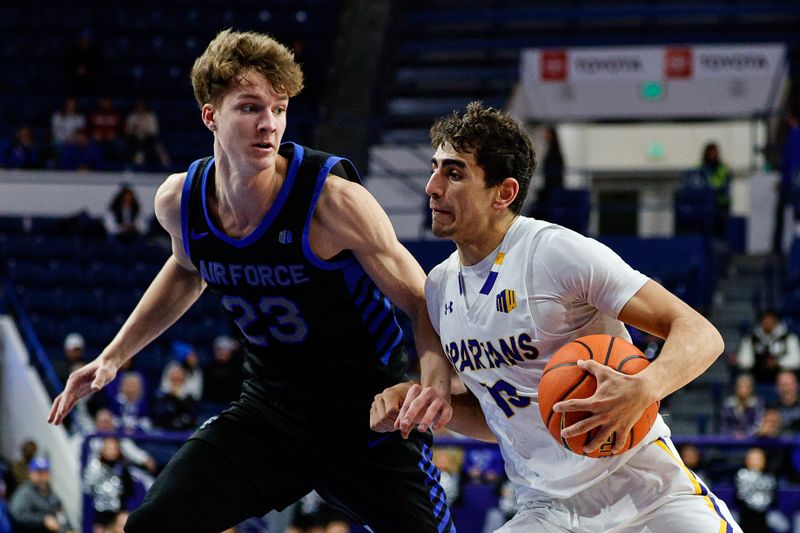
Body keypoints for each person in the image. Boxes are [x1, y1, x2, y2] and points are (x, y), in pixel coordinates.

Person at [49, 29, 455, 533]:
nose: (269, 125)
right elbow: (185, 268)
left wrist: (431, 386)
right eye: (250, 108)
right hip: (268, 412)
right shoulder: (180, 201)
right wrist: (111, 356)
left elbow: (423, 303)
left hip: (365, 414)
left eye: (279, 109)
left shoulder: (333, 202)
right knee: (152, 525)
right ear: (210, 116)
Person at [371, 102, 741, 532]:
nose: (432, 187)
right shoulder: (438, 288)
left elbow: (701, 333)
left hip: (646, 492)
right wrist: (426, 404)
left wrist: (645, 387)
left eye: (454, 174)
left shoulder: (554, 253)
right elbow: (500, 416)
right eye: (435, 169)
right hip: (545, 508)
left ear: (503, 193)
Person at [82, 437, 134, 533]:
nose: (111, 452)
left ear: (118, 450)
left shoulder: (122, 468)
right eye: (108, 448)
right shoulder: (95, 467)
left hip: (118, 511)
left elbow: (129, 490)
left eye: (114, 448)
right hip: (99, 511)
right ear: (102, 449)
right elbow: (87, 487)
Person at [8, 458, 73, 533]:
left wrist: (68, 531)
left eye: (44, 472)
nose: (41, 476)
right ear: (31, 474)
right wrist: (43, 520)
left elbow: (60, 516)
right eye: (38, 472)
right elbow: (17, 514)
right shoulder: (24, 492)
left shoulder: (51, 493)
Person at [737, 308, 800, 384]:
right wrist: (760, 363)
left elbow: (796, 360)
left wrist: (777, 363)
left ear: (777, 321)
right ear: (760, 321)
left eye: (771, 320)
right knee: (744, 380)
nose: (768, 322)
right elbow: (743, 361)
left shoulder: (789, 337)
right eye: (765, 320)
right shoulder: (751, 339)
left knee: (787, 378)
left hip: (782, 377)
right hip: (756, 377)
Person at [773, 108, 800, 254]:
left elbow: (791, 163)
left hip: (792, 183)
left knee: (789, 215)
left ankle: (779, 247)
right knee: (793, 216)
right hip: (792, 182)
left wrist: (786, 180)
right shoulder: (791, 135)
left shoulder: (794, 135)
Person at [734, 447, 775, 533]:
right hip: (745, 513)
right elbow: (738, 499)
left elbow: (774, 499)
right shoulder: (741, 475)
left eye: (758, 459)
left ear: (764, 461)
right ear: (746, 460)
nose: (755, 462)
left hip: (766, 513)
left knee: (778, 522)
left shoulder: (770, 477)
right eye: (752, 459)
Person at [698, 141, 733, 241]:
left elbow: (724, 185)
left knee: (720, 232)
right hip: (706, 205)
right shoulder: (701, 168)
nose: (713, 154)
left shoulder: (723, 168)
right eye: (711, 152)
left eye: (715, 152)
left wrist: (713, 189)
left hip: (720, 205)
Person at [720, 373, 764, 438]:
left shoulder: (757, 403)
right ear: (736, 388)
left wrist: (746, 434)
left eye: (746, 386)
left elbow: (758, 424)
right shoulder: (728, 404)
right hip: (731, 439)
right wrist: (734, 434)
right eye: (740, 386)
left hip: (752, 439)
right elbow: (724, 425)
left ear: (751, 388)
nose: (743, 389)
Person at [202, 335, 243, 403]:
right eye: (218, 349)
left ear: (231, 351)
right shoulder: (207, 368)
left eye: (225, 349)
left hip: (232, 403)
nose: (221, 352)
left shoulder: (238, 367)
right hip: (211, 404)